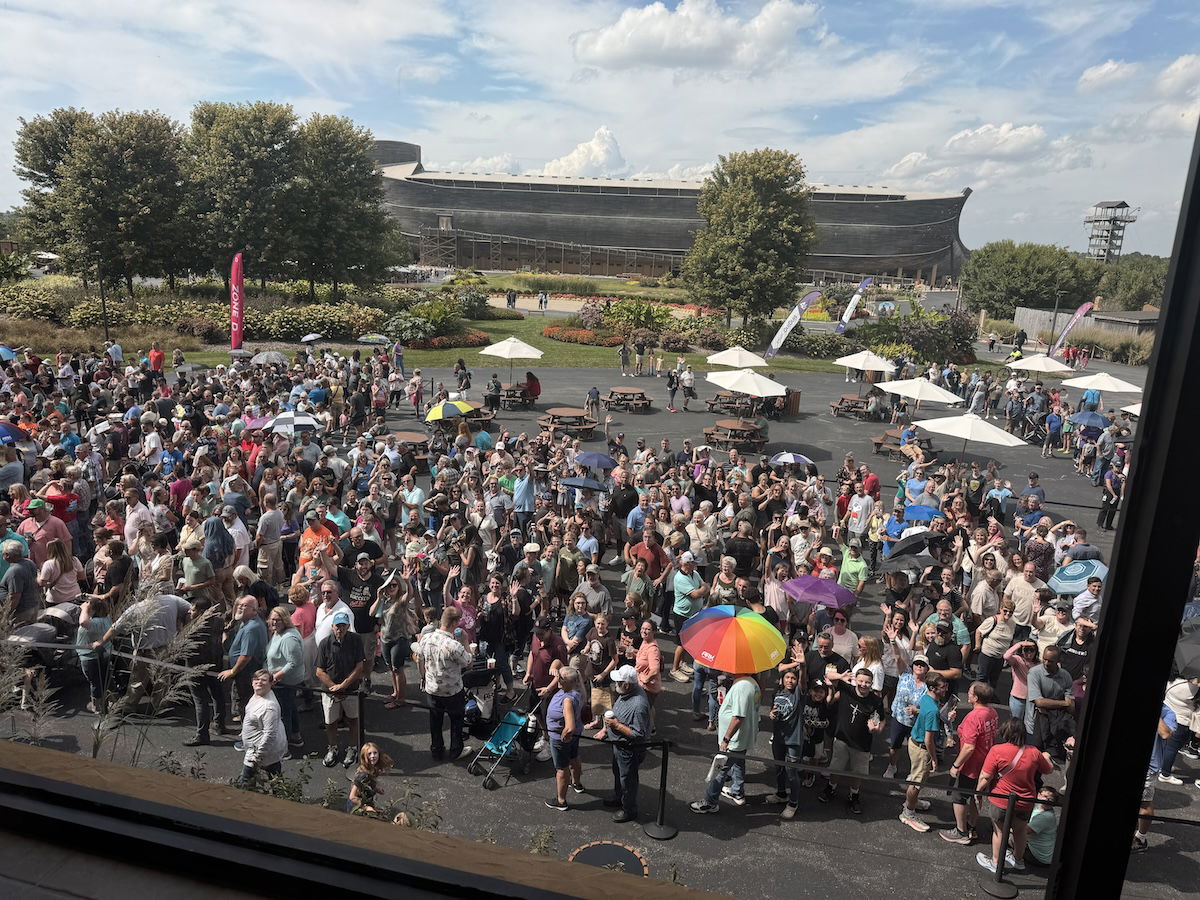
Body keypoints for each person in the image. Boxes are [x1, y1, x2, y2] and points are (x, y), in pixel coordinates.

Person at [975, 718, 1054, 874]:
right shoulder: (1034, 752)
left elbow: (985, 776)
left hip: (1001, 799)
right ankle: (1019, 860)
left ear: (1006, 733)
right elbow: (1048, 770)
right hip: (1025, 801)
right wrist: (1046, 757)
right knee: (1020, 831)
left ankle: (996, 863)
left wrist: (978, 792)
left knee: (999, 832)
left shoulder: (997, 750)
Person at [690, 669, 761, 813]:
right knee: (739, 763)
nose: (724, 668)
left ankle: (710, 802)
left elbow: (738, 717)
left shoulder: (741, 687)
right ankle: (737, 792)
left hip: (735, 739)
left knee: (721, 769)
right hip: (744, 737)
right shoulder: (752, 683)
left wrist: (726, 739)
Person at [818, 668, 886, 814]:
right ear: (855, 680)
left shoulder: (876, 701)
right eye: (860, 681)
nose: (863, 685)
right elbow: (828, 675)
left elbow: (882, 721)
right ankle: (831, 788)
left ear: (872, 683)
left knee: (857, 773)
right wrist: (841, 676)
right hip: (842, 738)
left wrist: (876, 730)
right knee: (836, 767)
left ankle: (854, 795)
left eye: (867, 682)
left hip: (862, 744)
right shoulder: (846, 689)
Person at [942, 681, 999, 845]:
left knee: (959, 797)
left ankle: (961, 832)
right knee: (977, 795)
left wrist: (956, 766)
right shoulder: (992, 712)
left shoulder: (974, 717)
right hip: (986, 763)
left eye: (970, 692)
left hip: (971, 766)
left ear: (975, 697)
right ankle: (972, 827)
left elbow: (968, 747)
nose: (967, 694)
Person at [414, 606, 473, 762]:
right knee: (456, 721)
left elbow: (418, 654)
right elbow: (468, 662)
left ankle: (437, 750)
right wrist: (465, 641)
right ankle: (456, 751)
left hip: (432, 689)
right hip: (452, 691)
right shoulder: (454, 645)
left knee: (435, 721)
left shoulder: (426, 638)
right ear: (454, 623)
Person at [595, 664, 650, 823]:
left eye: (618, 683)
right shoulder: (628, 691)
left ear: (627, 685)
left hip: (629, 750)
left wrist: (616, 726)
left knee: (628, 780)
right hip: (619, 745)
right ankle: (619, 797)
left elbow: (638, 734)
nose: (615, 685)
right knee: (618, 773)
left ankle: (629, 810)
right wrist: (607, 730)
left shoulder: (638, 705)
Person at [315, 610, 366, 769]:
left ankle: (352, 748)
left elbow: (359, 667)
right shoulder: (324, 643)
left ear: (348, 626)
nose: (340, 629)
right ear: (332, 626)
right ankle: (333, 747)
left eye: (343, 626)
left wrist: (343, 686)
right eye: (338, 626)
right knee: (330, 722)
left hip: (350, 690)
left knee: (353, 720)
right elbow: (319, 671)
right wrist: (334, 687)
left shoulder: (356, 640)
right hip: (330, 692)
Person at [900, 672, 950, 832]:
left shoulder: (927, 698)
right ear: (932, 688)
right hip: (922, 748)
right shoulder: (933, 711)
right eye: (942, 687)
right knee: (916, 782)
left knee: (917, 778)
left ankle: (911, 802)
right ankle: (908, 813)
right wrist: (934, 759)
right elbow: (929, 740)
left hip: (915, 744)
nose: (945, 689)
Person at [238, 670, 288, 785]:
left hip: (261, 751)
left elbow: (270, 735)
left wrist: (257, 756)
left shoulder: (268, 707)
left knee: (244, 781)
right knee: (275, 779)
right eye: (256, 679)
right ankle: (282, 798)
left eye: (264, 680)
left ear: (271, 683)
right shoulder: (257, 695)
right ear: (252, 682)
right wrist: (246, 730)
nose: (259, 682)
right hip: (262, 750)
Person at [545, 665, 584, 811]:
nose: (558, 679)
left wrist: (565, 734)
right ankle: (577, 783)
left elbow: (570, 726)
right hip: (576, 736)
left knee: (561, 768)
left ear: (568, 681)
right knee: (574, 757)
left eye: (561, 678)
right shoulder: (577, 691)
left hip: (560, 739)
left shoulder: (567, 699)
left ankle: (561, 801)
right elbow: (557, 664)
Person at [348, 742, 394, 815]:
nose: (373, 756)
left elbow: (368, 785)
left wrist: (376, 789)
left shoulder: (372, 769)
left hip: (366, 802)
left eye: (375, 753)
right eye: (369, 754)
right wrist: (366, 807)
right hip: (357, 808)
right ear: (364, 756)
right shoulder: (362, 775)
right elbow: (352, 797)